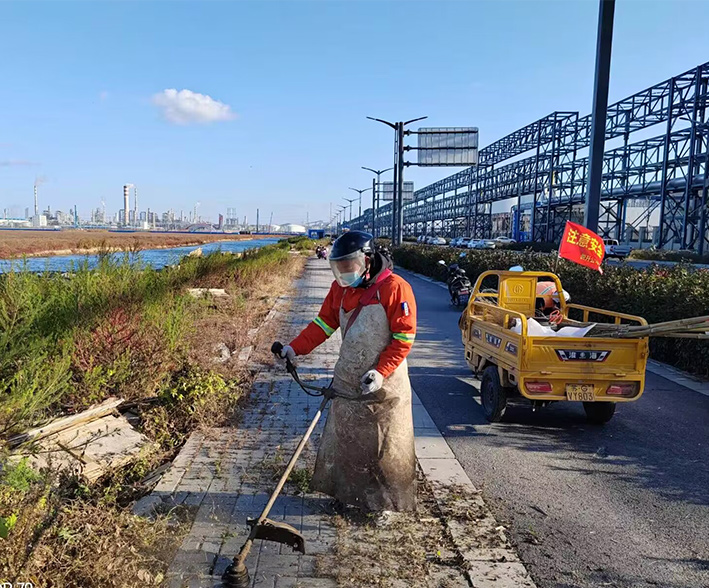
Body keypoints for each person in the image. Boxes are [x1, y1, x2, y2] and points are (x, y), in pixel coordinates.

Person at [275, 231, 418, 512]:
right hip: (348, 379)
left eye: (348, 266)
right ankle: (347, 496)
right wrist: (294, 348)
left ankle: (385, 505)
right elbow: (323, 325)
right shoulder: (340, 289)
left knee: (384, 446)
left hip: (384, 385)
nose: (343, 272)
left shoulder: (395, 288)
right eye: (338, 266)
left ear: (367, 261)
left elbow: (403, 339)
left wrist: (380, 372)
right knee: (348, 443)